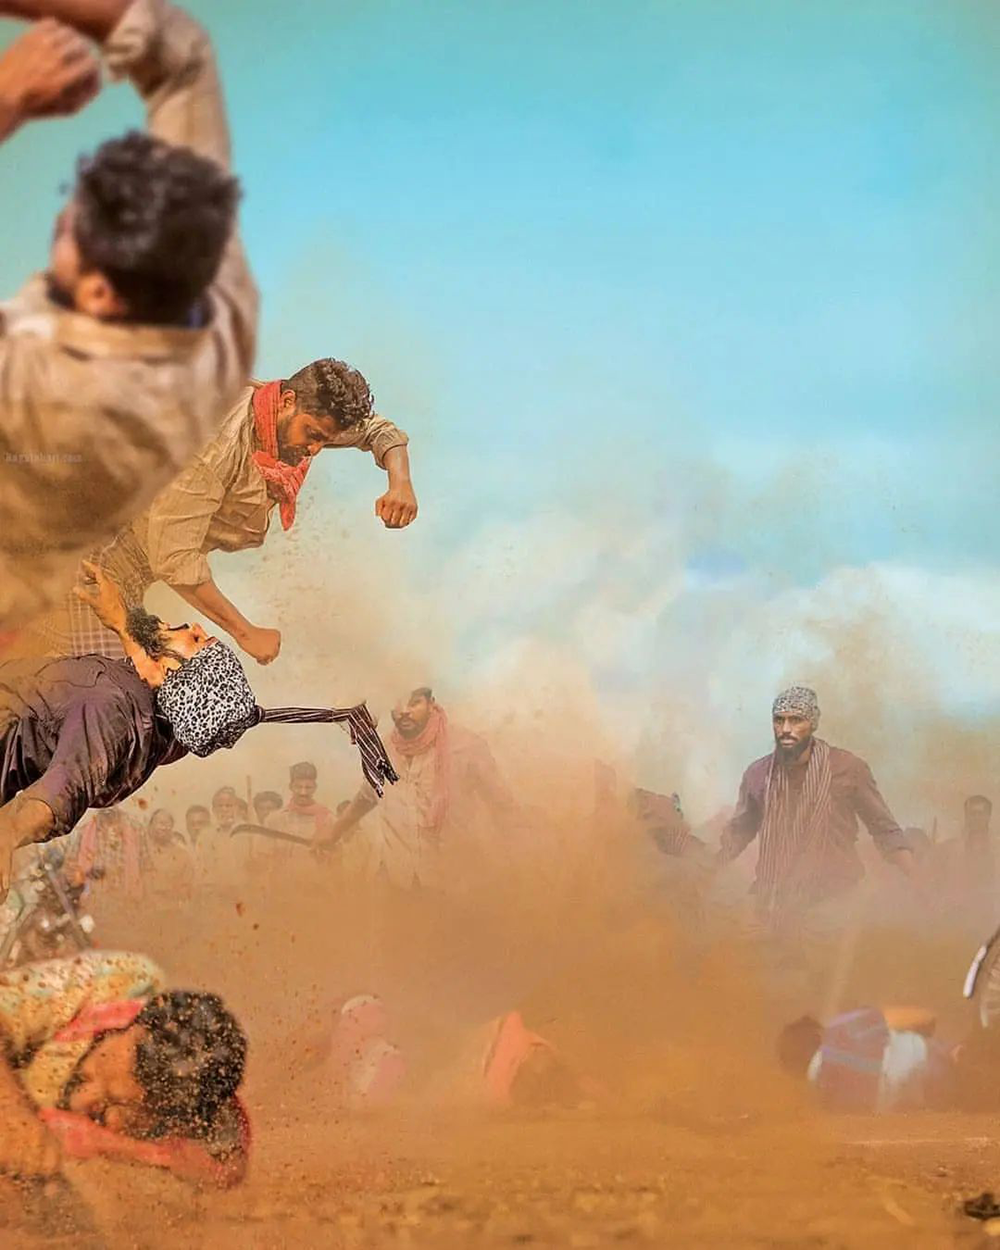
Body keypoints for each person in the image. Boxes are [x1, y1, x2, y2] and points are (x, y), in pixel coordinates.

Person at [0, 0, 256, 633]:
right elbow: (182, 54)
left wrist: (8, 98)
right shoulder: (215, 298)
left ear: (99, 297)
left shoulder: (41, 388)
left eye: (64, 234)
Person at [0, 564, 397, 896]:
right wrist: (123, 622)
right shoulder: (164, 734)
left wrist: (9, 831)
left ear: (172, 674)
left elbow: (66, 788)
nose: (193, 625)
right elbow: (175, 697)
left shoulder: (112, 708)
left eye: (196, 641)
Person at [39, 364, 418, 663]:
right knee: (94, 685)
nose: (316, 449)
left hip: (129, 569)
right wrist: (245, 632)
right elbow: (174, 558)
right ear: (287, 402)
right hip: (89, 557)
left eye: (325, 439)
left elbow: (377, 430)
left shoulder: (284, 414)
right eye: (313, 435)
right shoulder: (216, 444)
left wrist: (400, 483)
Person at [0, 950, 249, 1185]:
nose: (81, 1100)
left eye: (108, 1107)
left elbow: (226, 1171)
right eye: (86, 1076)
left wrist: (122, 1149)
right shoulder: (112, 982)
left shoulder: (205, 1124)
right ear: (127, 1026)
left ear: (174, 1123)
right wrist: (10, 1109)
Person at [719, 686, 916, 922]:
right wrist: (702, 872)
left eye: (796, 720)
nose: (786, 729)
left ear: (812, 723)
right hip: (772, 902)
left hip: (834, 904)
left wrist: (919, 882)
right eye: (779, 720)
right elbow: (738, 833)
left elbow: (884, 829)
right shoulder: (758, 774)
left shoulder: (848, 768)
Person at [321, 686, 515, 890]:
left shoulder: (466, 746)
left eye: (414, 703)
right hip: (397, 879)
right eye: (399, 703)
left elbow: (503, 805)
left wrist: (522, 860)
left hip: (452, 883)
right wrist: (333, 833)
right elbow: (367, 796)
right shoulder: (384, 750)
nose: (405, 711)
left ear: (431, 704)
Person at [776, 1005, 954, 1113]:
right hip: (932, 1063)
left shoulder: (824, 1101)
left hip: (922, 1102)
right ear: (816, 1034)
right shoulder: (837, 1028)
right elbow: (923, 1019)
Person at [143, 808, 194, 905]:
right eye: (160, 823)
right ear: (150, 826)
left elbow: (187, 887)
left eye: (167, 824)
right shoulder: (140, 851)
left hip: (172, 908)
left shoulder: (182, 855)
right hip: (144, 908)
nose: (163, 828)